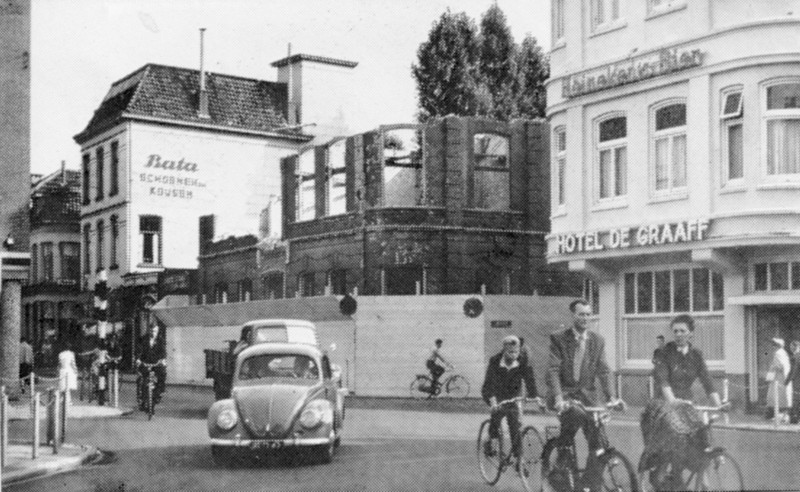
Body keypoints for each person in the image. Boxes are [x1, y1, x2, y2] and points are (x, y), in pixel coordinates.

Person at [640, 314, 723, 487]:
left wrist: (719, 404)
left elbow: (707, 381)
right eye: (675, 331)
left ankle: (704, 480)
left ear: (691, 333)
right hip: (662, 403)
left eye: (682, 331)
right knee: (672, 433)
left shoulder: (696, 355)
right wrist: (672, 400)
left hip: (686, 402)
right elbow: (662, 379)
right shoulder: (664, 352)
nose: (678, 334)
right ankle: (663, 471)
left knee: (702, 433)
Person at [547, 299, 621, 489]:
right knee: (577, 415)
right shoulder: (559, 338)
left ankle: (588, 485)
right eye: (581, 314)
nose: (585, 318)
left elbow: (604, 371)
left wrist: (612, 397)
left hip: (588, 396)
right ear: (573, 316)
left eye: (588, 314)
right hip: (565, 394)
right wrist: (558, 398)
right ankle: (562, 455)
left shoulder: (597, 340)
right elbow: (553, 370)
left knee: (599, 442)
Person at [481, 335, 540, 460]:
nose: (514, 355)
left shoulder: (522, 361)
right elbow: (489, 383)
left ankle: (519, 458)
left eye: (516, 352)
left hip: (512, 395)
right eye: (510, 352)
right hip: (494, 393)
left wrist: (536, 397)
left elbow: (529, 379)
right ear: (504, 350)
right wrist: (493, 402)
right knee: (497, 414)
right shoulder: (495, 361)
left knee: (515, 424)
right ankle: (490, 439)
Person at [137, 322, 167, 409]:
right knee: (141, 379)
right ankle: (141, 398)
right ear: (149, 330)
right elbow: (139, 350)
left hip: (156, 363)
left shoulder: (160, 340)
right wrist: (138, 359)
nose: (152, 333)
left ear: (157, 331)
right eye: (151, 331)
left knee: (162, 373)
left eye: (154, 331)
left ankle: (159, 393)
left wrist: (163, 360)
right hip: (145, 362)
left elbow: (163, 352)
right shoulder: (143, 339)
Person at [765, 337, 792, 421]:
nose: (773, 347)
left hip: (778, 379)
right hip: (783, 378)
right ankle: (781, 415)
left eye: (774, 345)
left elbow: (777, 367)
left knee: (776, 397)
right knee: (780, 397)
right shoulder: (783, 353)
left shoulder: (778, 353)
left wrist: (769, 377)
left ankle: (779, 415)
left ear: (778, 346)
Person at [785, 340, 800, 424]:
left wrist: (787, 381)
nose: (791, 349)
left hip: (797, 382)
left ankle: (794, 419)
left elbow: (793, 371)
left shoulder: (795, 357)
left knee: (796, 400)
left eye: (792, 347)